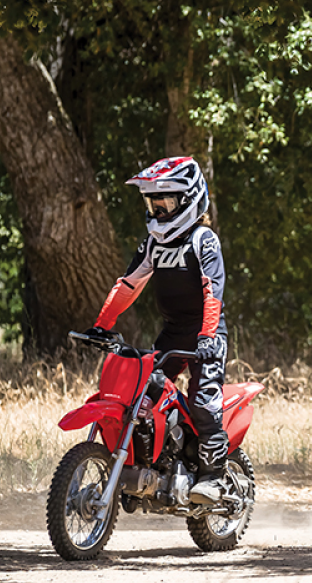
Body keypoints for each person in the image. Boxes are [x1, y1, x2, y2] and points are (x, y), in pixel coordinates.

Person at [85, 156, 230, 503]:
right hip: (173, 332)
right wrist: (101, 326)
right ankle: (146, 469)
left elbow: (213, 291)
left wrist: (208, 337)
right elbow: (128, 285)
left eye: (165, 202)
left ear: (189, 199)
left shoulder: (203, 239)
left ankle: (214, 477)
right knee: (142, 398)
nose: (158, 211)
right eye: (153, 203)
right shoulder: (154, 243)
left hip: (206, 334)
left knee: (204, 401)